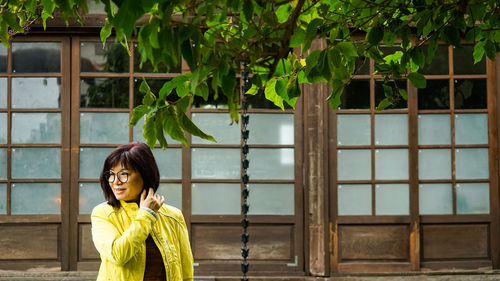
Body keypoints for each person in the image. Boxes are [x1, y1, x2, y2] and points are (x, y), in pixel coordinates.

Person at [91, 142, 193, 281]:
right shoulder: (103, 213)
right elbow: (118, 255)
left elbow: (186, 272)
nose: (115, 181)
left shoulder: (173, 215)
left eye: (124, 174)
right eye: (111, 174)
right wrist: (146, 214)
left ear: (145, 174)